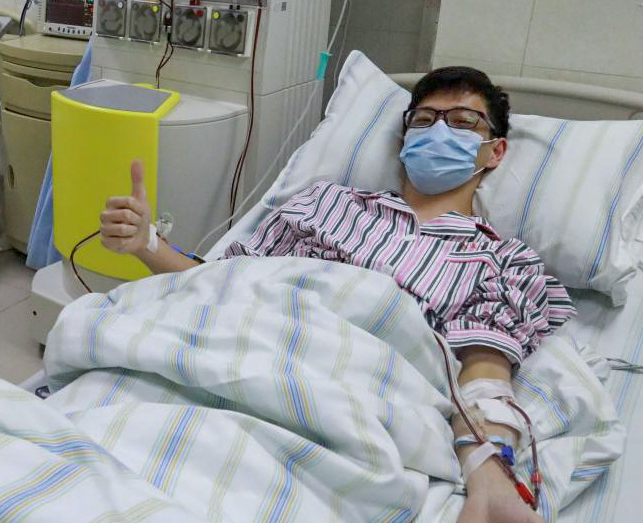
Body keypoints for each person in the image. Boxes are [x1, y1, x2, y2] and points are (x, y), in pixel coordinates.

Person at [100, 66, 574, 523]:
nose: (439, 130)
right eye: (425, 120)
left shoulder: (505, 261)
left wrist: (489, 479)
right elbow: (225, 279)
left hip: (353, 393)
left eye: (464, 122)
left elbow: (484, 375)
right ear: (405, 140)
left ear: (495, 151)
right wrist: (147, 245)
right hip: (236, 348)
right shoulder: (323, 203)